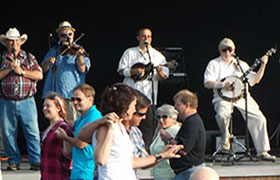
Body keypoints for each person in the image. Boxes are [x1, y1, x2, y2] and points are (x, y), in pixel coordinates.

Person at [203, 37, 276, 161]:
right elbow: (207, 83)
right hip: (223, 98)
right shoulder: (214, 64)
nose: (227, 53)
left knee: (259, 118)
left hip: (241, 97)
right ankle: (226, 136)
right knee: (221, 114)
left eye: (229, 49)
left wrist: (263, 65)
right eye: (223, 50)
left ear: (234, 50)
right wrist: (221, 85)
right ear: (219, 50)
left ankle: (262, 151)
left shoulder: (241, 64)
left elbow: (255, 80)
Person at [92, 83, 183, 180]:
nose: (134, 109)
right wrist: (110, 130)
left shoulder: (121, 128)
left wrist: (163, 155)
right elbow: (101, 159)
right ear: (125, 106)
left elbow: (131, 162)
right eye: (133, 106)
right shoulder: (107, 127)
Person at [118, 27, 169, 148]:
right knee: (129, 121)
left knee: (148, 124)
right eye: (144, 36)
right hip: (131, 95)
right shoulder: (130, 53)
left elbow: (164, 75)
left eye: (149, 37)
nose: (147, 39)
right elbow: (121, 70)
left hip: (149, 95)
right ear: (138, 38)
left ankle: (145, 149)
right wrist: (133, 72)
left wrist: (160, 72)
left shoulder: (157, 56)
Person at [0, 27, 43, 171]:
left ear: (20, 42)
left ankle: (36, 160)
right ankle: (13, 161)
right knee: (8, 133)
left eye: (16, 41)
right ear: (6, 43)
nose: (13, 44)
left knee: (32, 132)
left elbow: (39, 75)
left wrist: (21, 71)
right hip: (6, 101)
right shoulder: (2, 59)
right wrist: (9, 69)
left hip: (27, 100)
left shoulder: (29, 57)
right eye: (10, 42)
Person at [41, 21, 91, 121]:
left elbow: (82, 69)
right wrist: (48, 62)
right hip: (55, 96)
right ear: (59, 36)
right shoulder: (54, 50)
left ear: (73, 34)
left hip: (71, 96)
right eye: (63, 35)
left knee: (72, 124)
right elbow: (42, 70)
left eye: (69, 34)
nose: (67, 37)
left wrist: (79, 57)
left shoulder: (79, 50)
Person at [55, 83, 102, 180]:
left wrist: (65, 137)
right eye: (73, 99)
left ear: (90, 99)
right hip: (78, 168)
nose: (75, 102)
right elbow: (71, 124)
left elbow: (82, 144)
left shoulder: (94, 117)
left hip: (87, 170)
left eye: (79, 99)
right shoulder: (83, 116)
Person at [167, 89, 206, 180]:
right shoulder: (190, 121)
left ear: (187, 105)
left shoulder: (192, 122)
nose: (175, 107)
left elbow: (184, 149)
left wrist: (168, 139)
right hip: (186, 171)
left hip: (189, 172)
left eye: (178, 105)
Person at [41, 92, 73, 180]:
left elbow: (68, 154)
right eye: (44, 106)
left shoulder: (63, 128)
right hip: (47, 174)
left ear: (58, 108)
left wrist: (65, 138)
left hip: (58, 175)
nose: (44, 108)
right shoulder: (47, 130)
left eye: (48, 106)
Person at [122, 89, 150, 179]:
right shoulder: (113, 130)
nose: (144, 117)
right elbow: (128, 163)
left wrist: (163, 155)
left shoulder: (136, 132)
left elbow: (144, 162)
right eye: (141, 114)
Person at [149, 104, 181, 180]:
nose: (161, 120)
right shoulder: (162, 131)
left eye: (165, 117)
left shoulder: (175, 131)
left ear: (173, 118)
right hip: (158, 175)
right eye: (158, 117)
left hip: (169, 175)